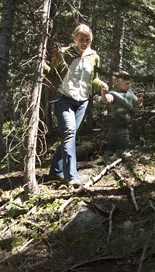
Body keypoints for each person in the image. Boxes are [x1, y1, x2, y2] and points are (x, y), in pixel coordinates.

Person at [46, 24, 108, 188]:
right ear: (74, 38)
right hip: (64, 99)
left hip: (82, 103)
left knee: (70, 136)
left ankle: (54, 172)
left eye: (87, 39)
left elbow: (93, 79)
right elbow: (53, 74)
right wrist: (41, 66)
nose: (84, 42)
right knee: (69, 133)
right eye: (81, 39)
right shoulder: (65, 53)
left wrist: (101, 84)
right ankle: (71, 177)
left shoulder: (94, 56)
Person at [101, 70, 143, 158]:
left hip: (126, 121)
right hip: (115, 120)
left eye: (129, 83)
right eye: (127, 83)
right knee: (115, 136)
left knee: (124, 136)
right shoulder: (113, 93)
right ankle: (114, 152)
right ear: (118, 83)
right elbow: (107, 99)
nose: (129, 85)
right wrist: (103, 94)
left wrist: (139, 101)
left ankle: (119, 151)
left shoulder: (130, 93)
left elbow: (136, 103)